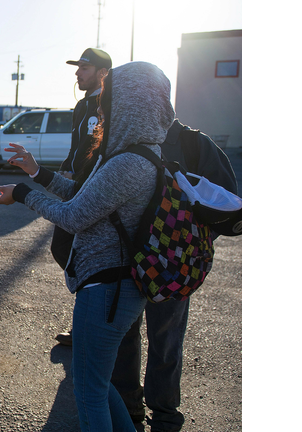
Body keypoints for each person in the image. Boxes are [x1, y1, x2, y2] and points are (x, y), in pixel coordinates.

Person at [0, 61, 176, 431]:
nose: (101, 110)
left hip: (107, 291)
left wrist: (22, 193)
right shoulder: (140, 153)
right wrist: (37, 173)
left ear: (129, 104)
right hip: (115, 288)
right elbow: (85, 195)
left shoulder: (128, 162)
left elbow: (73, 216)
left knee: (89, 391)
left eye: (109, 100)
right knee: (98, 384)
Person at [110, 119, 239, 432]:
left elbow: (227, 204)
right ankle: (128, 408)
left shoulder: (193, 143)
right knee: (124, 337)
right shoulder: (121, 139)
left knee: (165, 341)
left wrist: (187, 248)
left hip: (173, 267)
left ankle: (165, 414)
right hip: (125, 261)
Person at [54, 47, 112, 347]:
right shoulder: (82, 105)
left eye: (84, 68)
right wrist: (66, 169)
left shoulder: (111, 103)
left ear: (103, 73)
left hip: (95, 192)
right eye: (78, 67)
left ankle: (89, 326)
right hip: (74, 188)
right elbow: (76, 147)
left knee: (85, 257)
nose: (78, 73)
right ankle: (89, 318)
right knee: (64, 250)